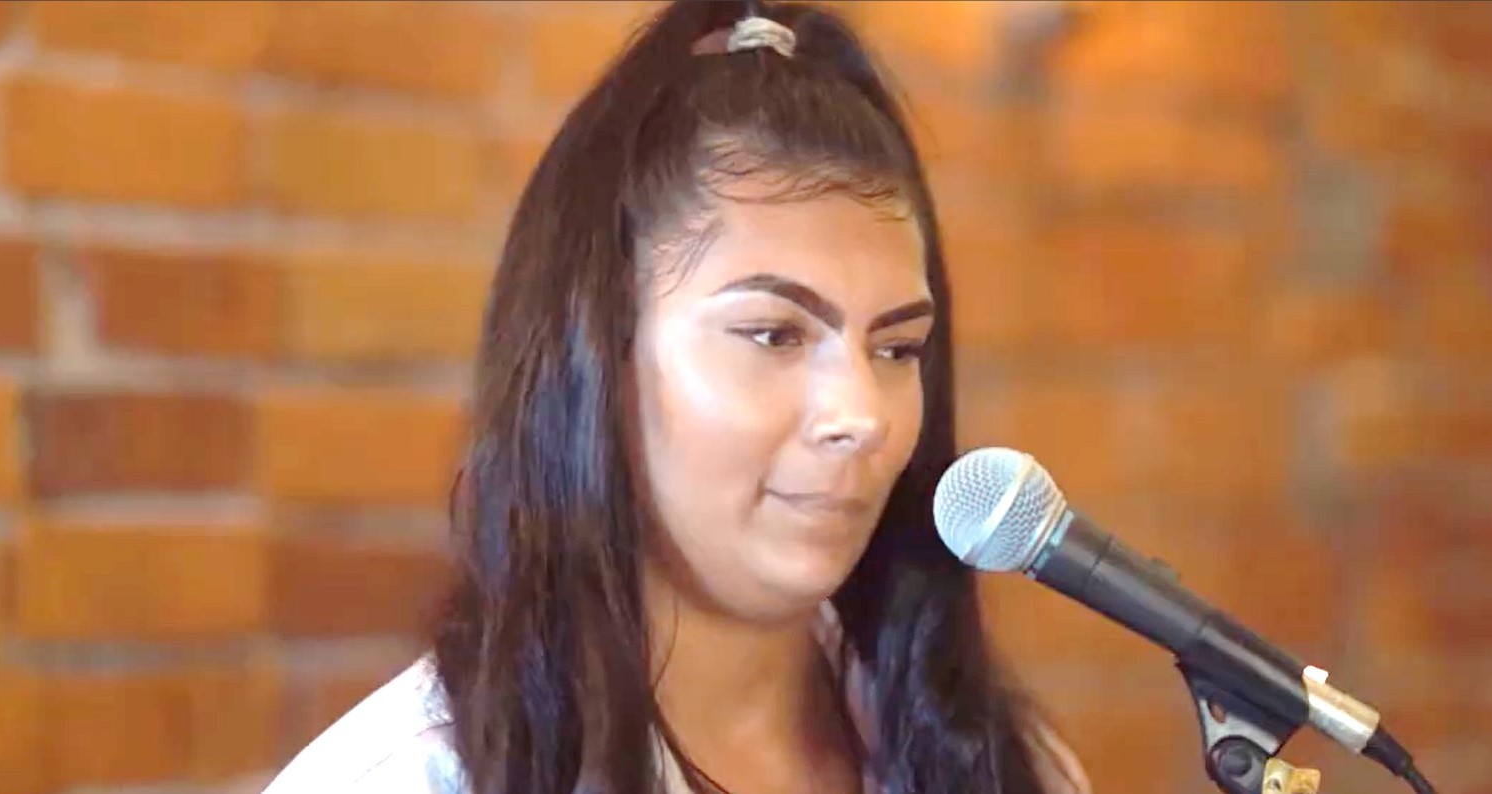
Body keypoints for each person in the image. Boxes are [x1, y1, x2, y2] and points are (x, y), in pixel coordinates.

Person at [262, 1, 1091, 792]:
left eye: (898, 347)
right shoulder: (412, 779)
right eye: (774, 334)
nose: (862, 417)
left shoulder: (1005, 766)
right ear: (599, 354)